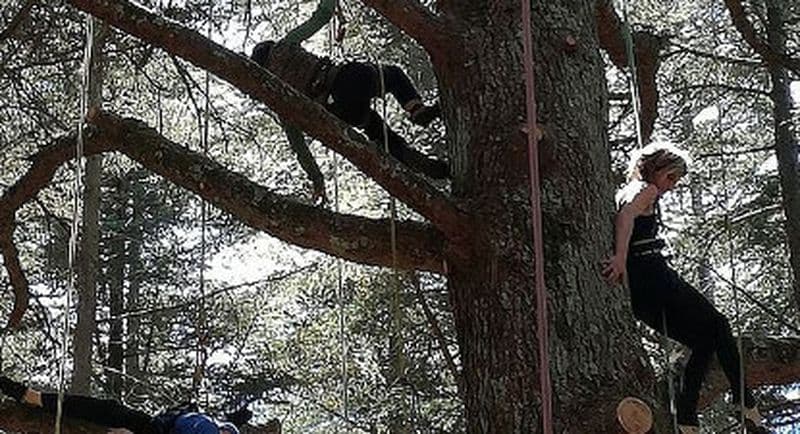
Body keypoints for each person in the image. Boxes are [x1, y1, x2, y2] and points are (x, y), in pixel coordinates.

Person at [602, 142, 768, 434]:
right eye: (670, 177)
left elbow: (624, 214)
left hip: (641, 295)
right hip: (655, 279)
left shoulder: (625, 192)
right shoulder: (646, 190)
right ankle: (745, 401)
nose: (671, 186)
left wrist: (623, 261)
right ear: (655, 169)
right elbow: (626, 217)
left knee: (704, 341)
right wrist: (619, 257)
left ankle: (687, 419)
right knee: (719, 324)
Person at [250, 39, 449, 199]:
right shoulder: (286, 45)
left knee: (374, 128)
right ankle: (415, 109)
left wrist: (317, 180)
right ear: (271, 46)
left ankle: (421, 163)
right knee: (394, 76)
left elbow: (299, 146)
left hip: (338, 108)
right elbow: (320, 17)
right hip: (348, 78)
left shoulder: (279, 97)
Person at [0, 376, 243, 434]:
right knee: (106, 410)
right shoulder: (209, 424)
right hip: (154, 427)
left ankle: (35, 398)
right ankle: (35, 398)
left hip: (153, 430)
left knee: (106, 410)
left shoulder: (209, 428)